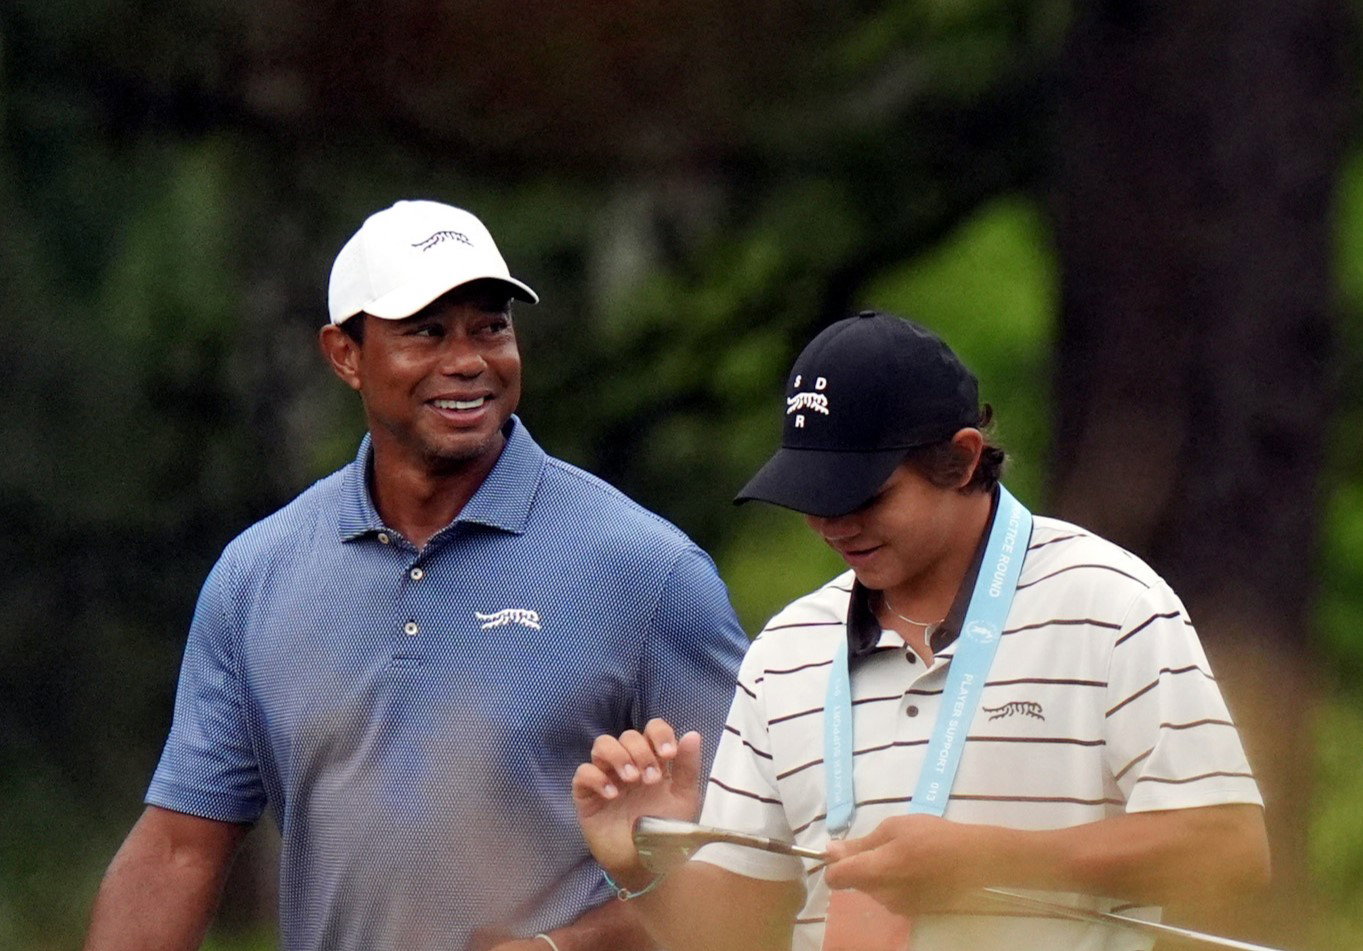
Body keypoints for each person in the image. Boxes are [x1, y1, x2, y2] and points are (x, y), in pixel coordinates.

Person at [83, 199, 749, 951]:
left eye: (489, 327)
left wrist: (561, 949)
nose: (467, 360)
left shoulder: (648, 573)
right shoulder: (255, 577)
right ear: (344, 354)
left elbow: (752, 866)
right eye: (426, 331)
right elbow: (178, 848)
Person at [572, 310, 1270, 951]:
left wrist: (990, 860)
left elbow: (1231, 850)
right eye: (809, 497)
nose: (830, 523)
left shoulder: (1110, 604)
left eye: (861, 494)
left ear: (962, 458)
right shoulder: (784, 650)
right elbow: (729, 933)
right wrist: (639, 854)